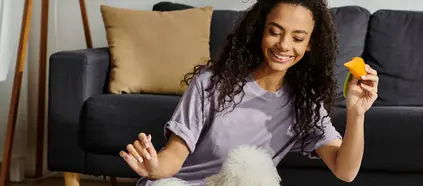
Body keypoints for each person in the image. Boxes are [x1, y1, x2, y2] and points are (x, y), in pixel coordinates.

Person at [119, 0, 379, 185]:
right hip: (180, 185)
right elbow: (175, 155)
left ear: (310, 44)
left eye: (298, 38)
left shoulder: (305, 103)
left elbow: (345, 172)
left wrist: (357, 114)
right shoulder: (212, 82)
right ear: (260, 31)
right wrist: (154, 169)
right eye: (275, 32)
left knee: (253, 167)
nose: (284, 45)